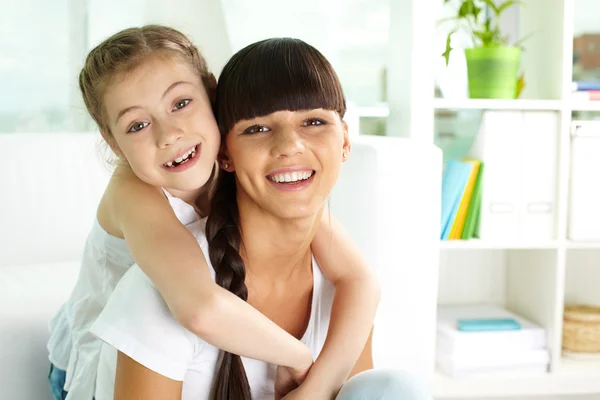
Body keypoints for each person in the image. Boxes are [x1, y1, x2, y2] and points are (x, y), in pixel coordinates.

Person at [47, 26, 380, 400]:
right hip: (101, 355)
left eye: (180, 104)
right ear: (113, 142)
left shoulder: (250, 169)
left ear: (211, 94)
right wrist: (298, 356)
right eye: (137, 125)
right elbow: (200, 307)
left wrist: (319, 385)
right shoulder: (134, 193)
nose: (168, 135)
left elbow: (360, 280)